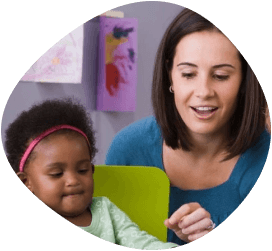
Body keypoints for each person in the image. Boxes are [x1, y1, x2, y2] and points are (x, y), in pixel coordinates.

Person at [105, 8, 271, 245]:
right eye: (188, 74)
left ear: (243, 82)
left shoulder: (261, 157)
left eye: (221, 76)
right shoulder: (128, 148)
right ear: (170, 76)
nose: (203, 92)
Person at [5, 97, 189, 249]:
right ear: (25, 181)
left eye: (82, 170)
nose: (73, 180)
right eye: (56, 174)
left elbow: (141, 242)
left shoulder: (105, 211)